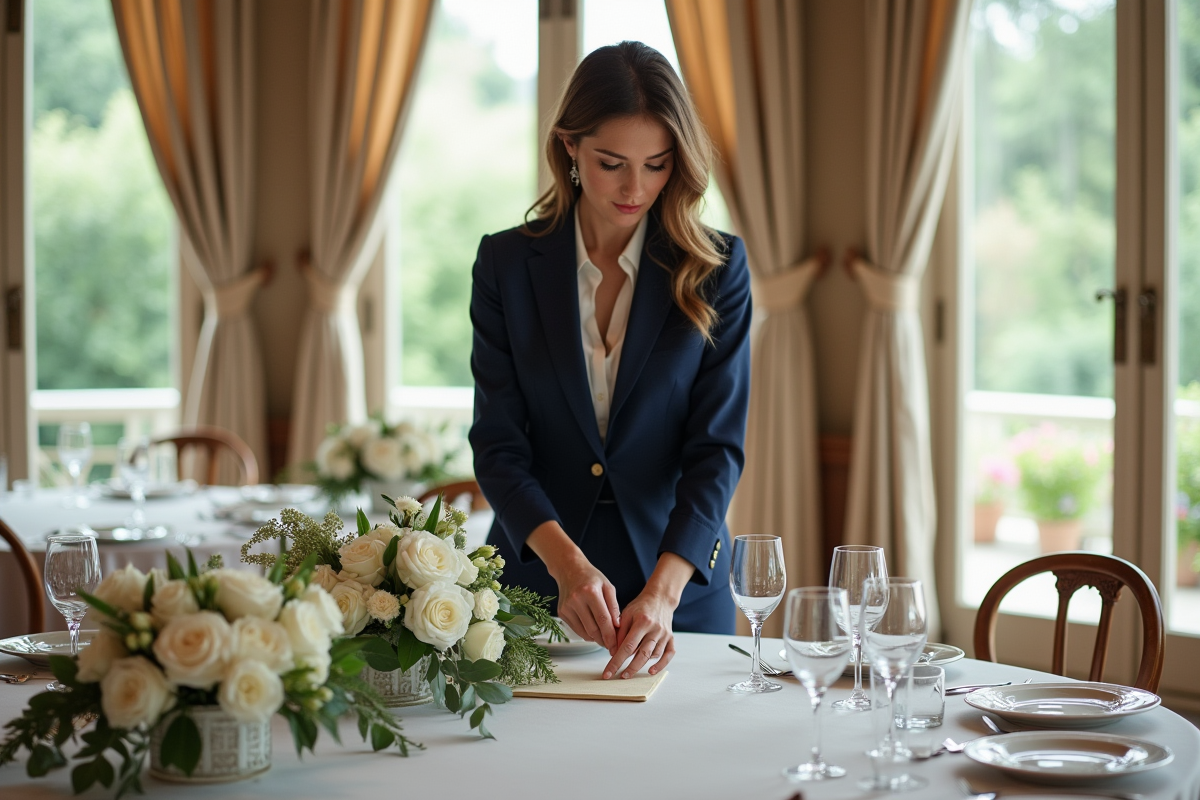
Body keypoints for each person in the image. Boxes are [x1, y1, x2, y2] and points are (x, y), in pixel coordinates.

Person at [469, 41, 751, 681]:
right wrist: (566, 567)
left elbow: (718, 451)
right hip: (536, 585)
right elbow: (498, 445)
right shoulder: (506, 266)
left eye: (656, 165)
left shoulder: (717, 270)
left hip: (679, 590)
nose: (636, 188)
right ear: (569, 146)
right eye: (612, 163)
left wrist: (664, 591)